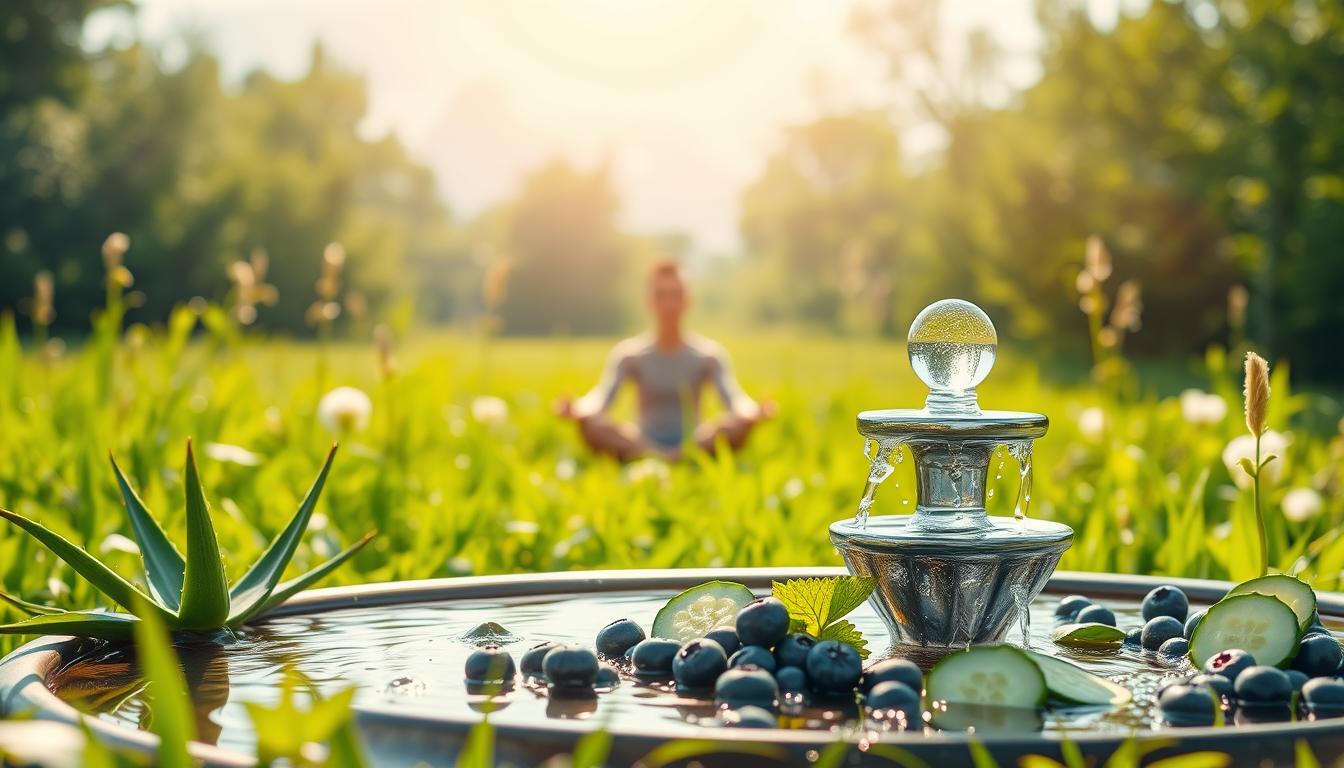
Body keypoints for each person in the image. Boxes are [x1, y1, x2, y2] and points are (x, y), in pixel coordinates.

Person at [556, 259, 774, 461]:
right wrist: (579, 408)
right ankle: (668, 457)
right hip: (641, 441)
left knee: (737, 426)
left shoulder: (708, 355)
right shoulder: (630, 355)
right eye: (662, 296)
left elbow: (734, 398)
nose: (669, 304)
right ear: (650, 302)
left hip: (695, 440)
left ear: (687, 301)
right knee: (591, 425)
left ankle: (666, 458)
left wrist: (752, 411)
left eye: (676, 295)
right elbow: (602, 398)